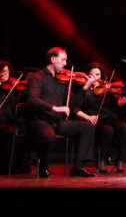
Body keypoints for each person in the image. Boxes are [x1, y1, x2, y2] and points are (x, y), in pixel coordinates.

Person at [25, 47, 96, 178]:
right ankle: (43, 166)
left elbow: (73, 103)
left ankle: (78, 167)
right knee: (49, 136)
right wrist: (54, 108)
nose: (65, 64)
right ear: (53, 59)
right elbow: (32, 100)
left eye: (66, 60)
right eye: (63, 60)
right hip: (39, 120)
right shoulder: (37, 77)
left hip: (57, 122)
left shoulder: (62, 80)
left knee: (88, 127)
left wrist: (86, 87)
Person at [72, 63, 126, 173]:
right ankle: (101, 160)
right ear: (88, 76)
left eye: (97, 74)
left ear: (101, 76)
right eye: (92, 74)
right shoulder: (85, 90)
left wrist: (125, 100)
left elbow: (116, 105)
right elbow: (76, 107)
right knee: (108, 130)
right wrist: (88, 117)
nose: (95, 77)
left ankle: (120, 160)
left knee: (124, 128)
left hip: (110, 118)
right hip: (96, 120)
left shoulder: (106, 90)